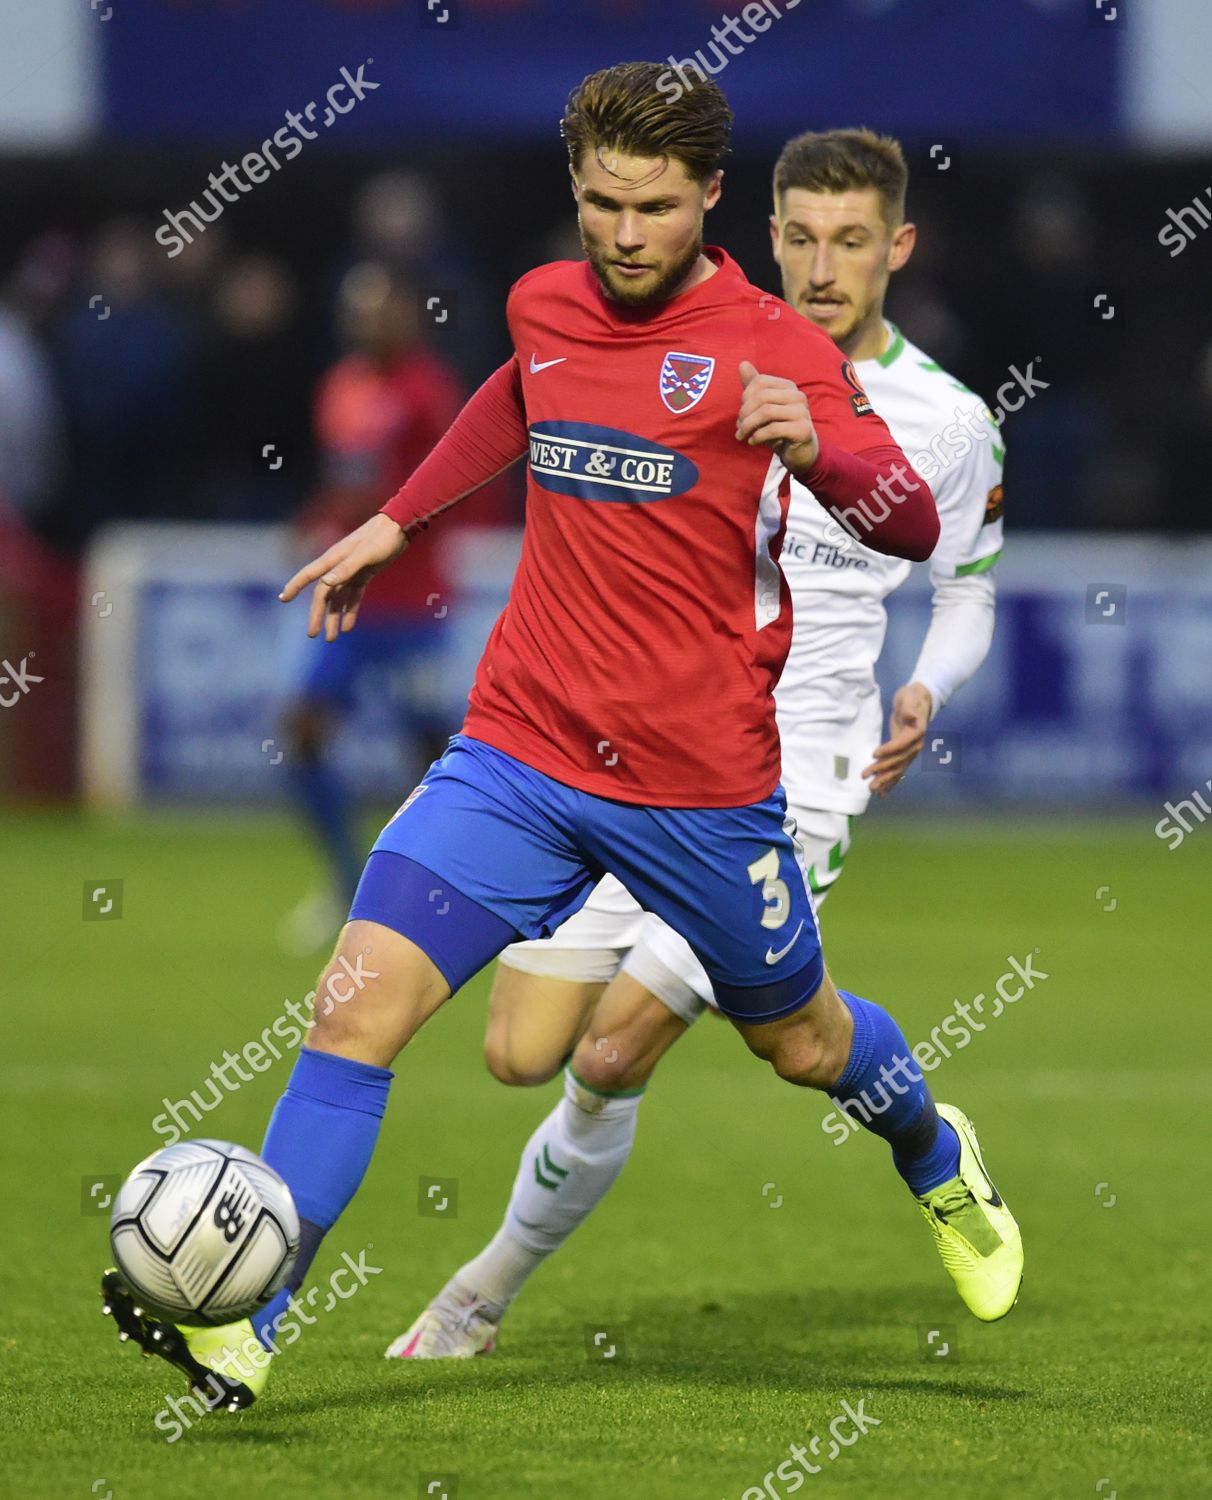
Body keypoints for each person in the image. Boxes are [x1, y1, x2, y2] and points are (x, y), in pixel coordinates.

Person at [101, 63, 1013, 1417]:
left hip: (702, 791)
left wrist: (814, 443)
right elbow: (513, 402)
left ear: (709, 196)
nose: (622, 234)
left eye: (651, 208)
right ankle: (253, 1320)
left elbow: (910, 521)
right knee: (357, 1010)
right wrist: (398, 520)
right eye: (599, 203)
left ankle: (935, 1148)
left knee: (807, 1045)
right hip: (517, 753)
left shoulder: (779, 344)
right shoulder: (546, 304)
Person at [387, 127, 1009, 1359]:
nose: (823, 268)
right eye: (801, 238)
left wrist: (926, 689)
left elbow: (965, 587)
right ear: (764, 234)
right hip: (629, 751)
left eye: (851, 242)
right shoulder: (696, 355)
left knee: (617, 1051)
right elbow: (535, 404)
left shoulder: (946, 419)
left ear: (899, 248)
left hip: (793, 770)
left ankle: (478, 1296)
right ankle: (895, 1101)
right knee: (523, 1052)